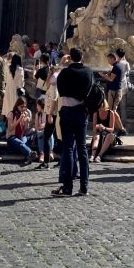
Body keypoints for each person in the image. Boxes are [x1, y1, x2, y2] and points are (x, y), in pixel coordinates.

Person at [52, 45, 94, 197]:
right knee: (82, 149)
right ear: (82, 57)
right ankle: (84, 187)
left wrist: (62, 65)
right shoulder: (88, 72)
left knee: (68, 148)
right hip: (81, 112)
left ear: (70, 57)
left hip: (67, 111)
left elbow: (57, 86)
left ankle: (67, 187)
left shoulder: (65, 72)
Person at [6, 94, 35, 159]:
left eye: (24, 107)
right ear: (17, 106)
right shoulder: (11, 114)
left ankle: (29, 156)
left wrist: (27, 122)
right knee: (21, 144)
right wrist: (19, 119)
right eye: (21, 107)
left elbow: (25, 130)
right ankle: (30, 153)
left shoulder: (25, 114)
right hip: (12, 137)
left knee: (24, 142)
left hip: (21, 136)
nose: (23, 108)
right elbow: (10, 128)